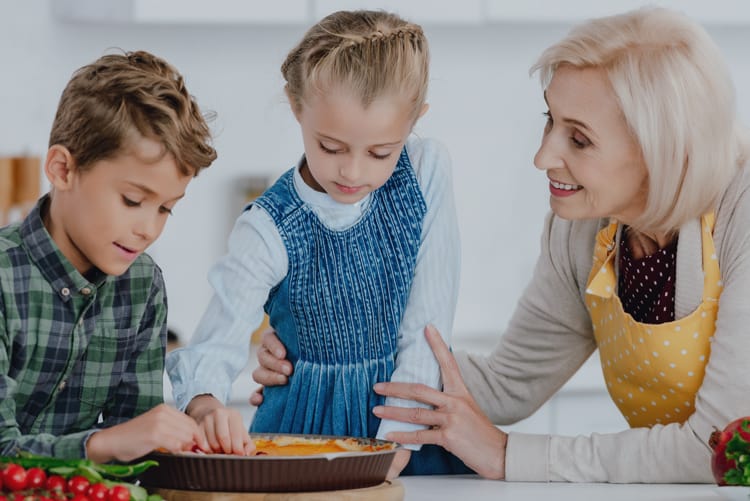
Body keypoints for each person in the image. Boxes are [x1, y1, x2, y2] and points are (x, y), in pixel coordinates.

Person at [252, 6, 750, 482]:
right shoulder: (585, 227)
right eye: (550, 120)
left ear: (660, 151)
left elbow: (718, 443)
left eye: (579, 140)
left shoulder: (740, 213)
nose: (542, 156)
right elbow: (507, 385)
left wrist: (509, 454)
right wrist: (331, 352)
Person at [167, 9, 465, 473]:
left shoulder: (425, 170)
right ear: (295, 107)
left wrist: (396, 446)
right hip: (301, 430)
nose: (352, 171)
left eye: (380, 152)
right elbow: (216, 344)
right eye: (331, 146)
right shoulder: (269, 226)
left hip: (410, 422)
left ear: (413, 123)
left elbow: (428, 322)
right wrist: (205, 405)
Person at [0, 50, 216, 463]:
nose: (148, 229)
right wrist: (104, 444)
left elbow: (137, 453)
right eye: (133, 200)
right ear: (63, 170)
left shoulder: (141, 285)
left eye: (165, 208)